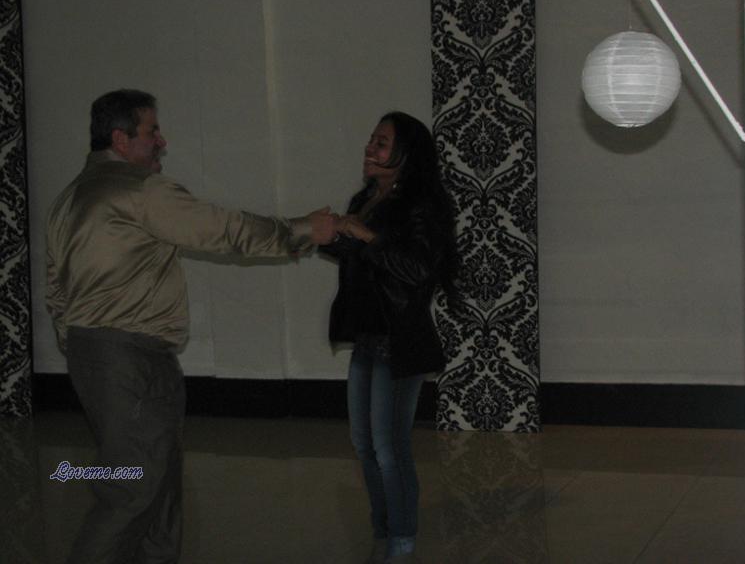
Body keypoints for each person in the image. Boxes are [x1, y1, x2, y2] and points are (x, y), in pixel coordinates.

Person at [45, 88, 337, 564]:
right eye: (152, 131)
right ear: (120, 139)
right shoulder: (139, 189)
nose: (162, 141)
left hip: (100, 356)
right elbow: (223, 229)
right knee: (133, 491)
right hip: (129, 359)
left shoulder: (69, 198)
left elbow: (56, 292)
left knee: (156, 489)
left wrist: (85, 348)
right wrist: (301, 229)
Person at [321, 112, 457, 563]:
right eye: (371, 140)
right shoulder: (367, 198)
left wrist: (364, 234)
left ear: (405, 154)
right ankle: (382, 529)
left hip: (400, 341)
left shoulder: (423, 205)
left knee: (389, 447)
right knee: (364, 444)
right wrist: (324, 234)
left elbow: (416, 269)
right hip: (367, 336)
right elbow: (356, 254)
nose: (370, 148)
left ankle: (401, 538)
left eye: (380, 142)